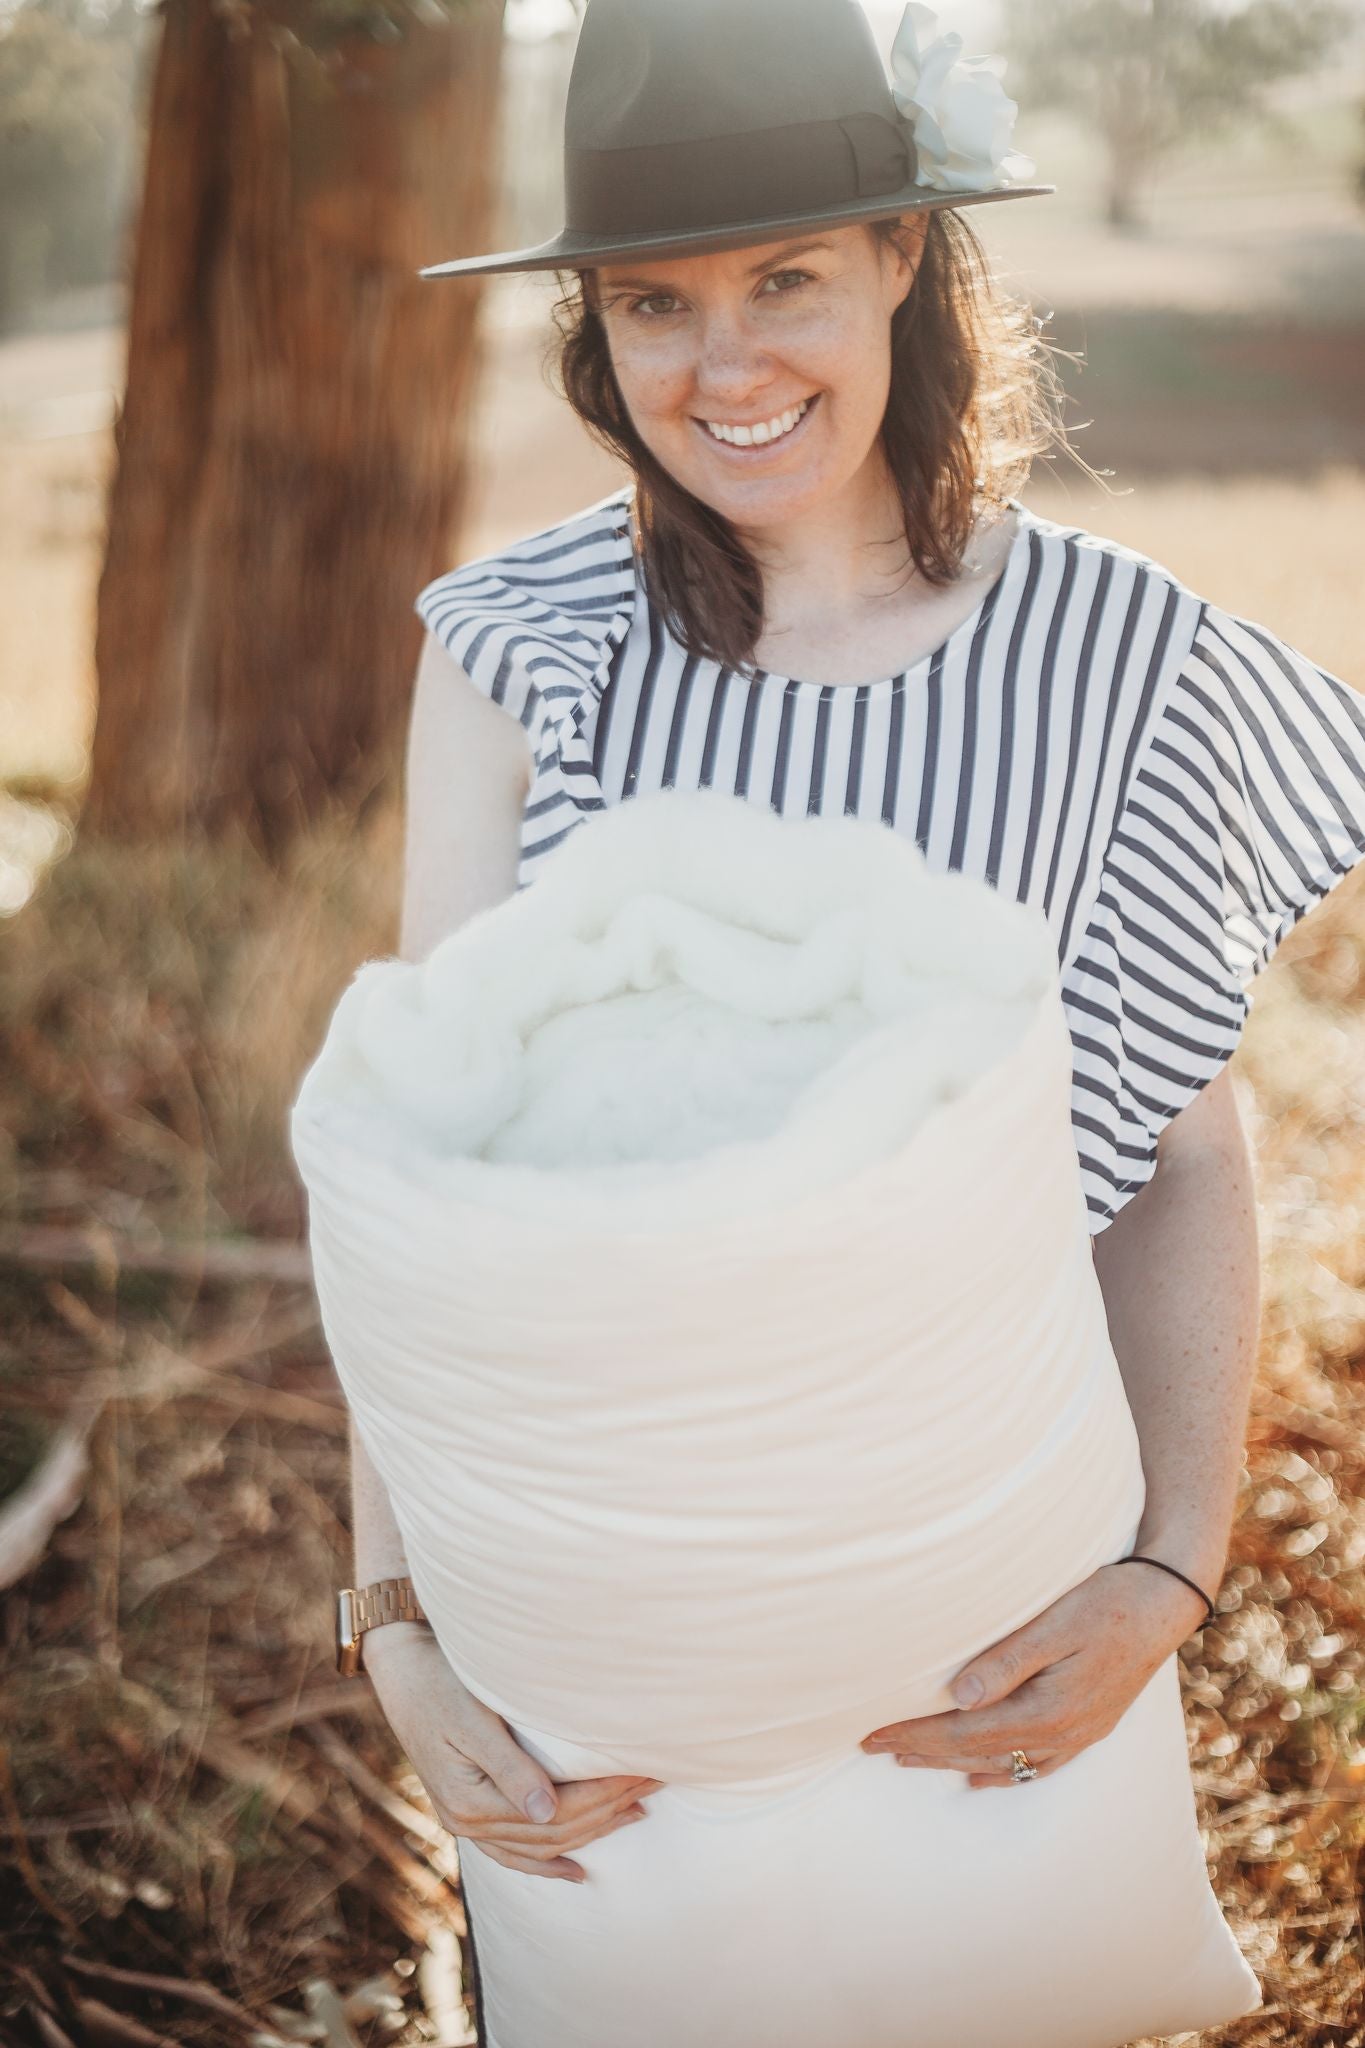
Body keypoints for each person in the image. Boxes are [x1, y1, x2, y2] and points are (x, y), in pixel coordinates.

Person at [342, 0, 1365, 2033]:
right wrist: (396, 1624)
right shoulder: (509, 652)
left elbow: (1174, 1147)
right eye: (654, 303)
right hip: (603, 1641)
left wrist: (1165, 1565)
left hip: (989, 1590)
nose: (723, 367)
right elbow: (422, 1206)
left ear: (904, 255)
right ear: (591, 326)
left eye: (786, 276)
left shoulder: (1124, 658)